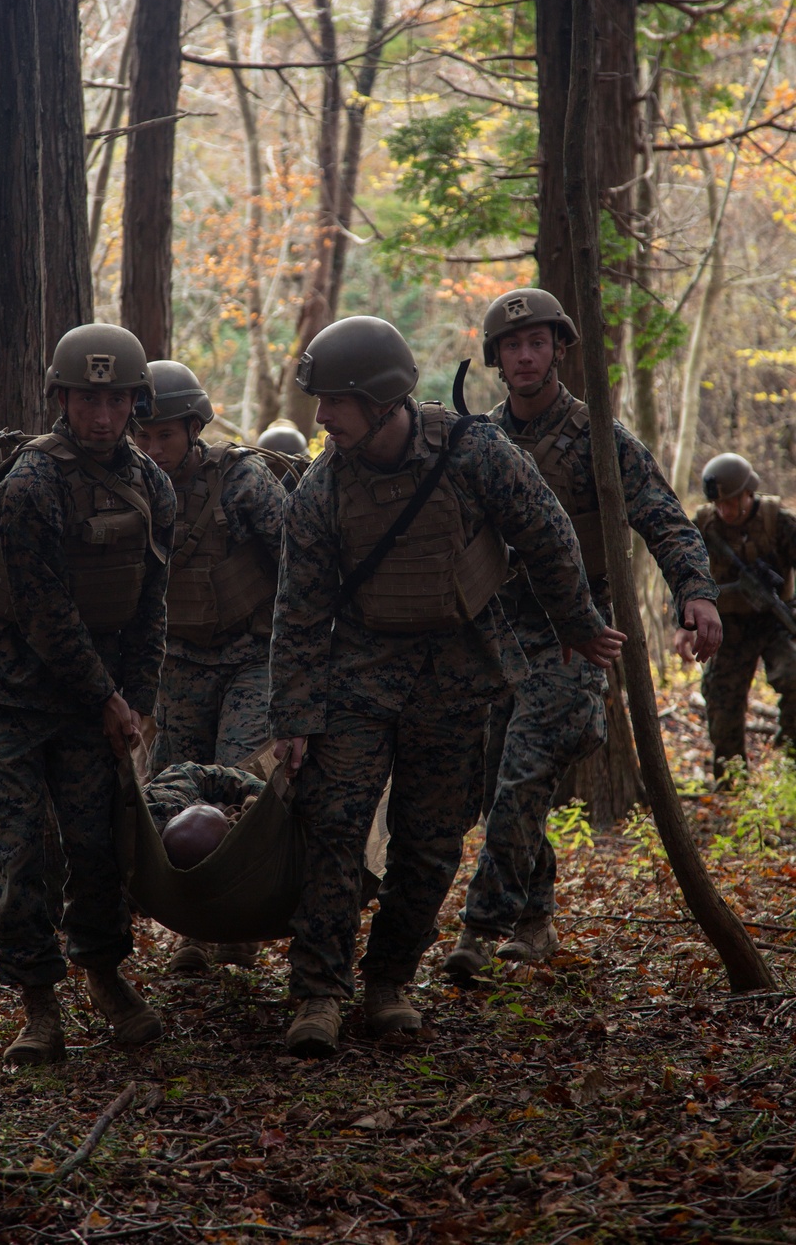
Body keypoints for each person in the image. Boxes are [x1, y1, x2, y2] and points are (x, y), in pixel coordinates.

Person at [268, 314, 624, 1058]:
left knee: (428, 844)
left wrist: (579, 623)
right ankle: (319, 993)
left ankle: (389, 982)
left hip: (460, 677)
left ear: (380, 398)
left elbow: (546, 531)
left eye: (334, 401)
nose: (322, 416)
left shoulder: (473, 453)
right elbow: (297, 614)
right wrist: (294, 719)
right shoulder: (320, 490)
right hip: (359, 677)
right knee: (334, 828)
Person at [446, 290, 721, 981]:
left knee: (522, 777)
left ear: (560, 348)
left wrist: (696, 594)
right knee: (497, 786)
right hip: (497, 638)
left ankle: (478, 932)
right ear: (497, 360)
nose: (526, 355)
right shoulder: (478, 441)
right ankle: (535, 919)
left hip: (575, 637)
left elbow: (666, 520)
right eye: (513, 347)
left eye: (538, 342)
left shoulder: (600, 437)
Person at [0, 324, 176, 1066]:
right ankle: (38, 1004)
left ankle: (107, 977)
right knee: (19, 857)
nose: (102, 414)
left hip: (93, 698)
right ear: (62, 399)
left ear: (136, 401)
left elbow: (151, 605)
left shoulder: (152, 485)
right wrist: (110, 700)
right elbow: (48, 615)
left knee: (97, 846)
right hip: (9, 698)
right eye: (88, 397)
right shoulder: (29, 484)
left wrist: (137, 700)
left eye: (115, 399)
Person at [133, 360, 285, 974]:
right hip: (180, 662)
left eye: (164, 435)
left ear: (194, 428)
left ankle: (238, 929)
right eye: (141, 437)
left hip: (251, 657)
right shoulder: (132, 485)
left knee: (235, 782)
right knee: (174, 791)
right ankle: (194, 927)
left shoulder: (243, 480)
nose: (151, 448)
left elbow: (299, 561)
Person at [690, 453, 796, 775]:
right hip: (727, 626)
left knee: (794, 675)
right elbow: (684, 572)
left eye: (731, 503)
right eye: (719, 504)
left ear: (748, 494)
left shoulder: (776, 520)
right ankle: (730, 780)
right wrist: (683, 622)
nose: (724, 511)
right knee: (722, 705)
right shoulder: (704, 526)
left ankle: (791, 754)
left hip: (775, 621)